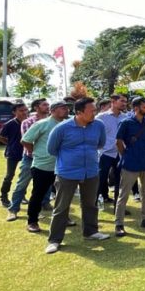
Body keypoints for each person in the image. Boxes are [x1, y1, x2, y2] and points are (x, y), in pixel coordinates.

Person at [44, 98, 110, 254]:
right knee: (61, 207)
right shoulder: (62, 128)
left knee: (90, 204)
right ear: (79, 112)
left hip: (91, 171)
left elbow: (100, 144)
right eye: (92, 110)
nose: (95, 113)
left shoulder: (98, 126)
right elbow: (51, 149)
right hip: (67, 172)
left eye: (95, 110)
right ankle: (54, 240)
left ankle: (91, 232)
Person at [113, 97, 145, 237]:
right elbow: (118, 141)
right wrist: (125, 154)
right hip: (130, 164)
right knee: (124, 194)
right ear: (136, 108)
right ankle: (119, 224)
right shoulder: (126, 123)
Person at [22, 101, 68, 233]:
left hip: (63, 166)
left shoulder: (68, 124)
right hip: (43, 166)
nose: (66, 110)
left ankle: (63, 218)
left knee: (63, 194)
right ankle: (32, 221)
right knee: (38, 194)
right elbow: (25, 140)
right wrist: (36, 153)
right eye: (63, 108)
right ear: (53, 111)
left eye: (66, 108)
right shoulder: (42, 124)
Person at [8, 98, 52, 219]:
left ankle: (45, 203)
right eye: (44, 105)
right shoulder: (28, 122)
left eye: (48, 104)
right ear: (36, 107)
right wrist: (38, 153)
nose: (47, 107)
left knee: (47, 183)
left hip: (49, 158)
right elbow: (28, 141)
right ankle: (13, 209)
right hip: (30, 157)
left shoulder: (52, 121)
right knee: (22, 183)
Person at [96, 94, 127, 207]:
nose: (124, 104)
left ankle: (118, 206)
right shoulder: (101, 117)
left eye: (125, 102)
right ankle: (96, 204)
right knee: (101, 179)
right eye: (122, 101)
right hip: (105, 153)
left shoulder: (126, 117)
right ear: (113, 101)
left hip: (120, 153)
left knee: (120, 180)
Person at [0, 102, 28, 214]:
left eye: (25, 110)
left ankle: (22, 196)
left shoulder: (29, 122)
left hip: (27, 153)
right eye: (21, 110)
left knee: (25, 176)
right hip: (13, 153)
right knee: (9, 175)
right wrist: (10, 144)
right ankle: (3, 197)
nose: (24, 112)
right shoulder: (9, 124)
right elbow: (0, 137)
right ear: (14, 112)